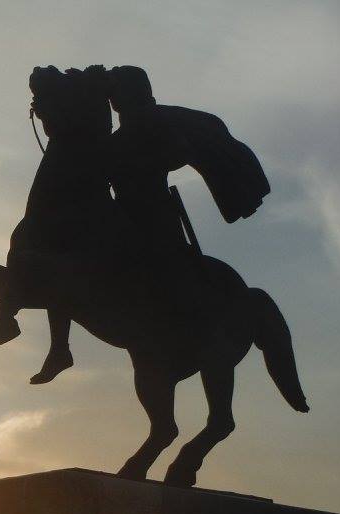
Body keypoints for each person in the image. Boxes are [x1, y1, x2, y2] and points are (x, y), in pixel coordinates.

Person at [30, 65, 269, 386]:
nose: (112, 100)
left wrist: (143, 162)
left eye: (116, 93)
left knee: (158, 261)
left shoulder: (149, 124)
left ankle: (185, 316)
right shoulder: (120, 135)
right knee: (68, 261)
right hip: (120, 211)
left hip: (152, 215)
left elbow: (177, 152)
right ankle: (60, 346)